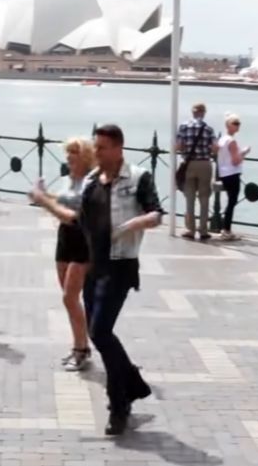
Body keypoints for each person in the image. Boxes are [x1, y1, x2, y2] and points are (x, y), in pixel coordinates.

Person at [30, 124, 161, 435]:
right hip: (94, 263)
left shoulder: (139, 177)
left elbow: (156, 214)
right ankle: (131, 385)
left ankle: (119, 405)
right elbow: (75, 219)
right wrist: (45, 200)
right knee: (97, 331)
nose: (97, 153)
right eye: (96, 147)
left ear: (118, 148)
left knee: (100, 331)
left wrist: (132, 224)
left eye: (102, 148)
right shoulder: (91, 181)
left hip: (122, 265)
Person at [39, 137, 95, 371]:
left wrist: (42, 200)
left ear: (85, 156)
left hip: (83, 240)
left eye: (74, 152)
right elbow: (61, 200)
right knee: (69, 297)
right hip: (64, 239)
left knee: (69, 297)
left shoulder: (92, 182)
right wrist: (45, 194)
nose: (69, 157)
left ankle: (81, 349)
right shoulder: (68, 179)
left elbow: (75, 213)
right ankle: (79, 345)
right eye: (68, 152)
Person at [175, 103, 218, 241]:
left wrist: (185, 150)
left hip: (188, 164)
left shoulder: (183, 126)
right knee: (204, 197)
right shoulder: (209, 129)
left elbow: (178, 146)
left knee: (189, 197)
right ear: (203, 113)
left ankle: (190, 229)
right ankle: (204, 230)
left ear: (193, 112)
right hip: (204, 163)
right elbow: (215, 148)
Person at [217, 113, 250, 241]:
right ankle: (226, 229)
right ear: (228, 125)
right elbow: (236, 161)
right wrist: (245, 152)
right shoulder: (231, 141)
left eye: (238, 123)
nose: (238, 126)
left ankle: (225, 228)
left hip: (223, 173)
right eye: (235, 123)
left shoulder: (222, 139)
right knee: (232, 202)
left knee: (230, 201)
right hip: (232, 173)